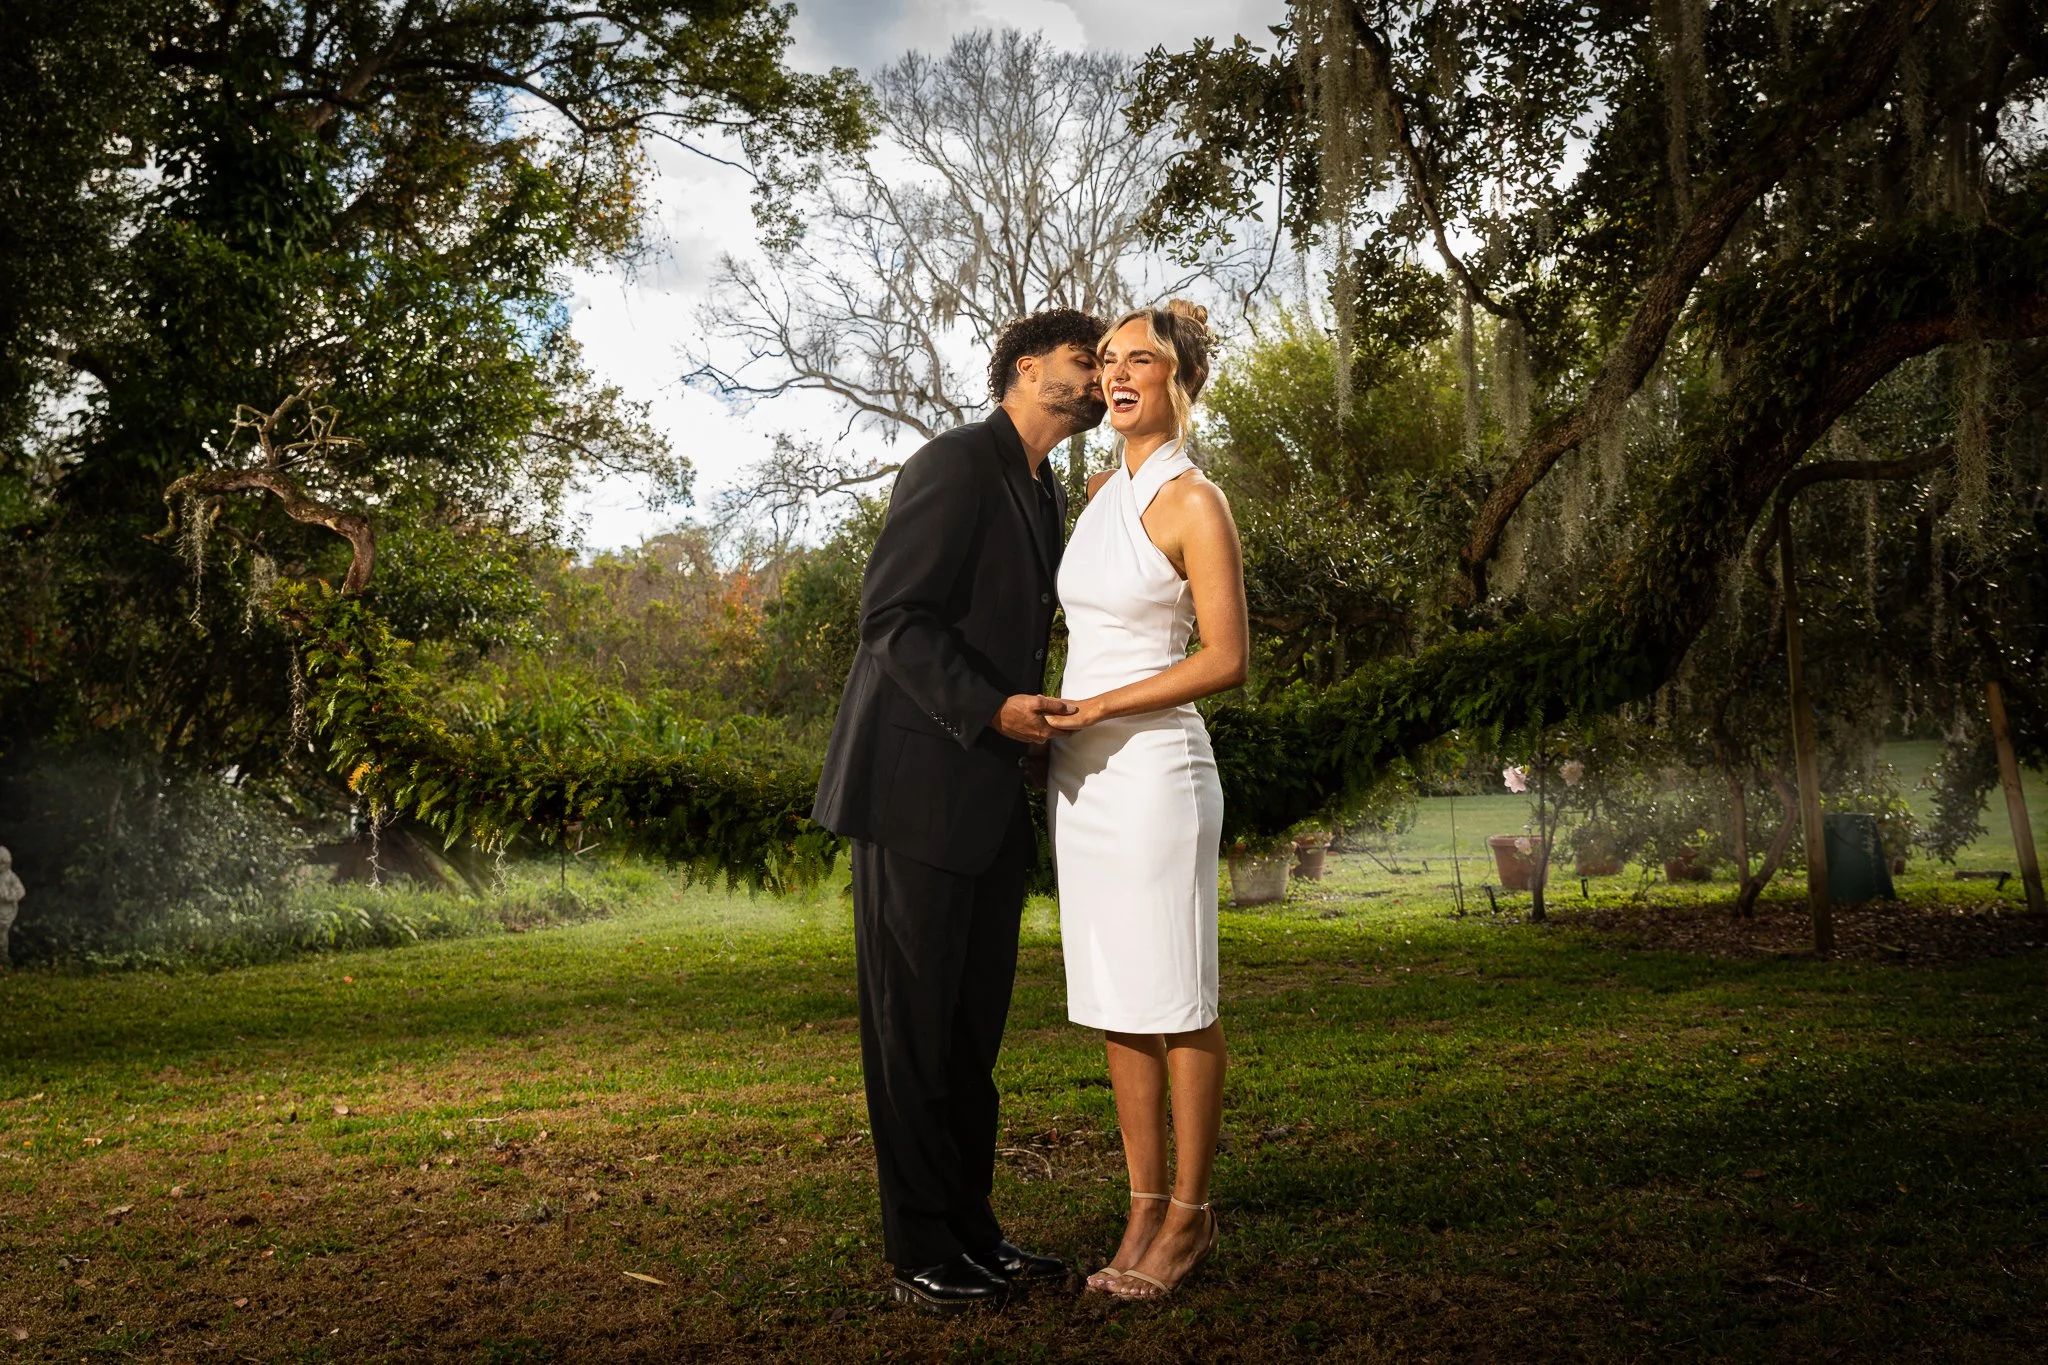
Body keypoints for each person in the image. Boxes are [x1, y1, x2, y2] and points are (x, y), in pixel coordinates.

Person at [811, 308, 1108, 1314]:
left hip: (985, 793)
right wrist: (990, 708)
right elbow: (892, 620)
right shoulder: (953, 462)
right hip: (911, 791)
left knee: (969, 1033)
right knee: (912, 1031)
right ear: (1027, 371)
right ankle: (919, 1251)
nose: (1098, 377)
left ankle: (972, 1232)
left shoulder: (1042, 486)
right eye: (1084, 362)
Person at [1044, 300, 1247, 1300]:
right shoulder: (1093, 492)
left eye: (1141, 362)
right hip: (1080, 778)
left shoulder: (1192, 501)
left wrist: (1103, 707)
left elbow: (1225, 657)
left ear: (1178, 381)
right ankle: (1138, 1204)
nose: (1116, 376)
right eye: (1108, 363)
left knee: (1176, 996)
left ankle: (1191, 1216)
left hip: (1158, 771)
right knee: (1118, 1001)